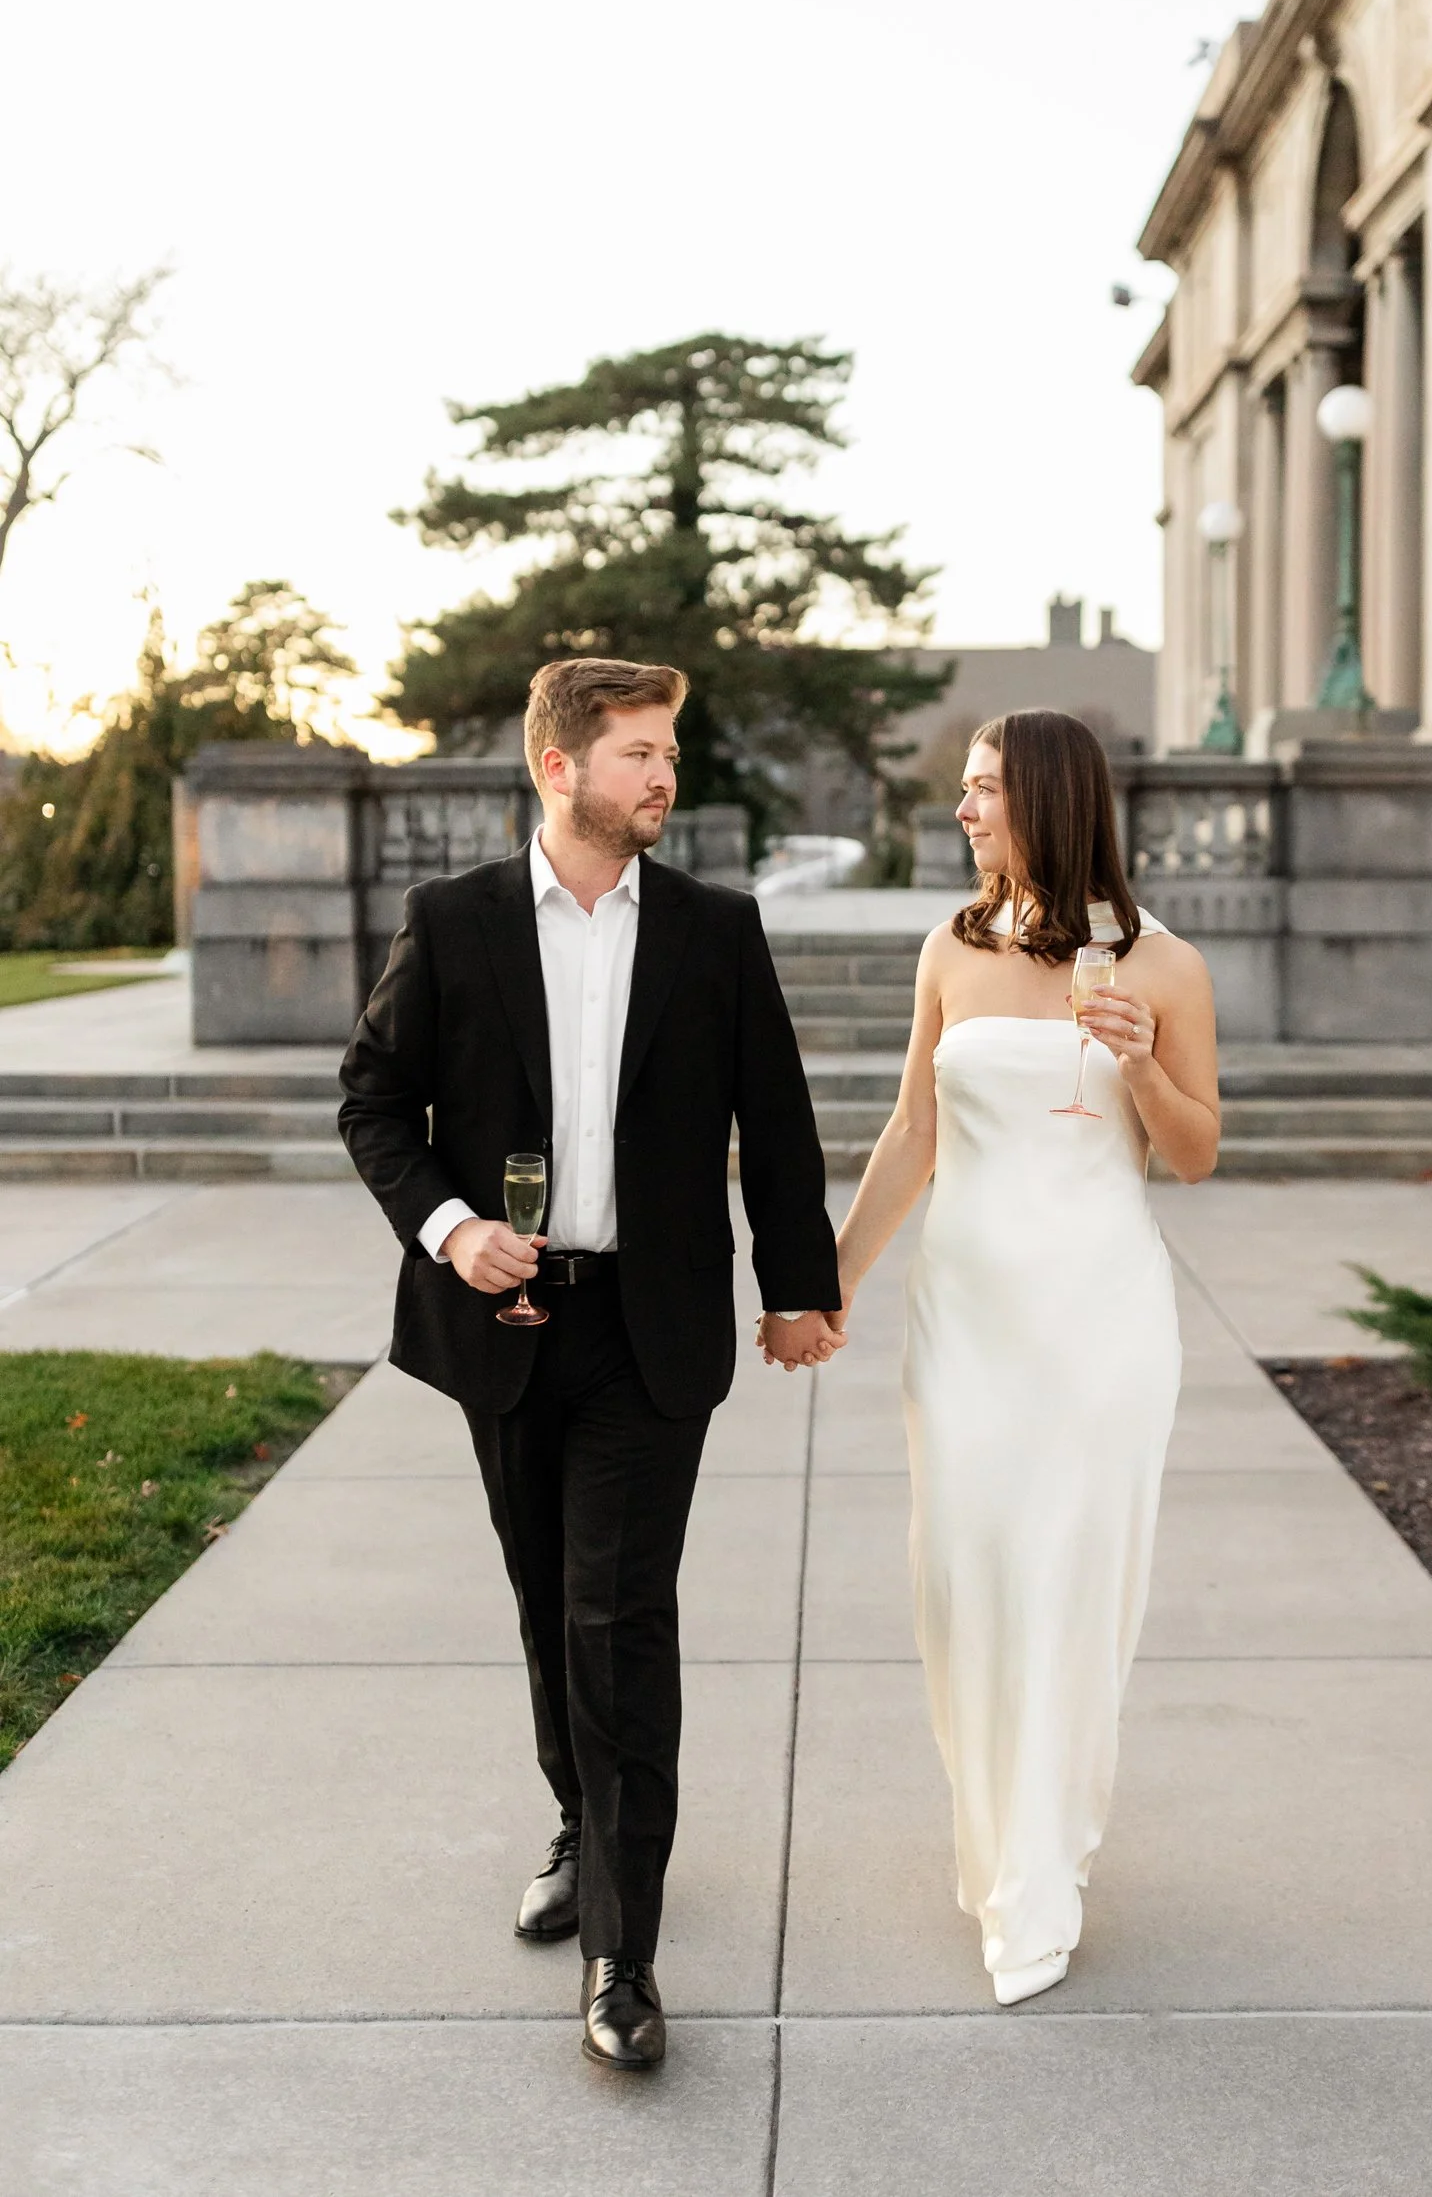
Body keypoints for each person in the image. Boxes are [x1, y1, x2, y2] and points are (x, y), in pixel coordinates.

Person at [338, 657, 844, 2072]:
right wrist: (452, 1231)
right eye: (639, 753)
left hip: (648, 1329)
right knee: (545, 1598)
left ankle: (624, 1951)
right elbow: (373, 1100)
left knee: (618, 1616)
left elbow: (777, 1122)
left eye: (669, 752)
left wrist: (799, 1289)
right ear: (558, 768)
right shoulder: (453, 922)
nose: (664, 775)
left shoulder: (713, 929)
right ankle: (580, 1819)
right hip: (503, 1326)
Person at [820, 707, 1218, 2006]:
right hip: (968, 1323)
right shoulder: (950, 947)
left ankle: (1039, 1871)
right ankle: (996, 1834)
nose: (964, 808)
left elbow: (1196, 1153)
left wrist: (1140, 1068)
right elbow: (913, 1131)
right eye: (964, 787)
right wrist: (827, 1282)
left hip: (1099, 1325)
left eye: (984, 787)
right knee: (965, 1582)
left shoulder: (1164, 966)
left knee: (1067, 1587)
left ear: (1046, 798)